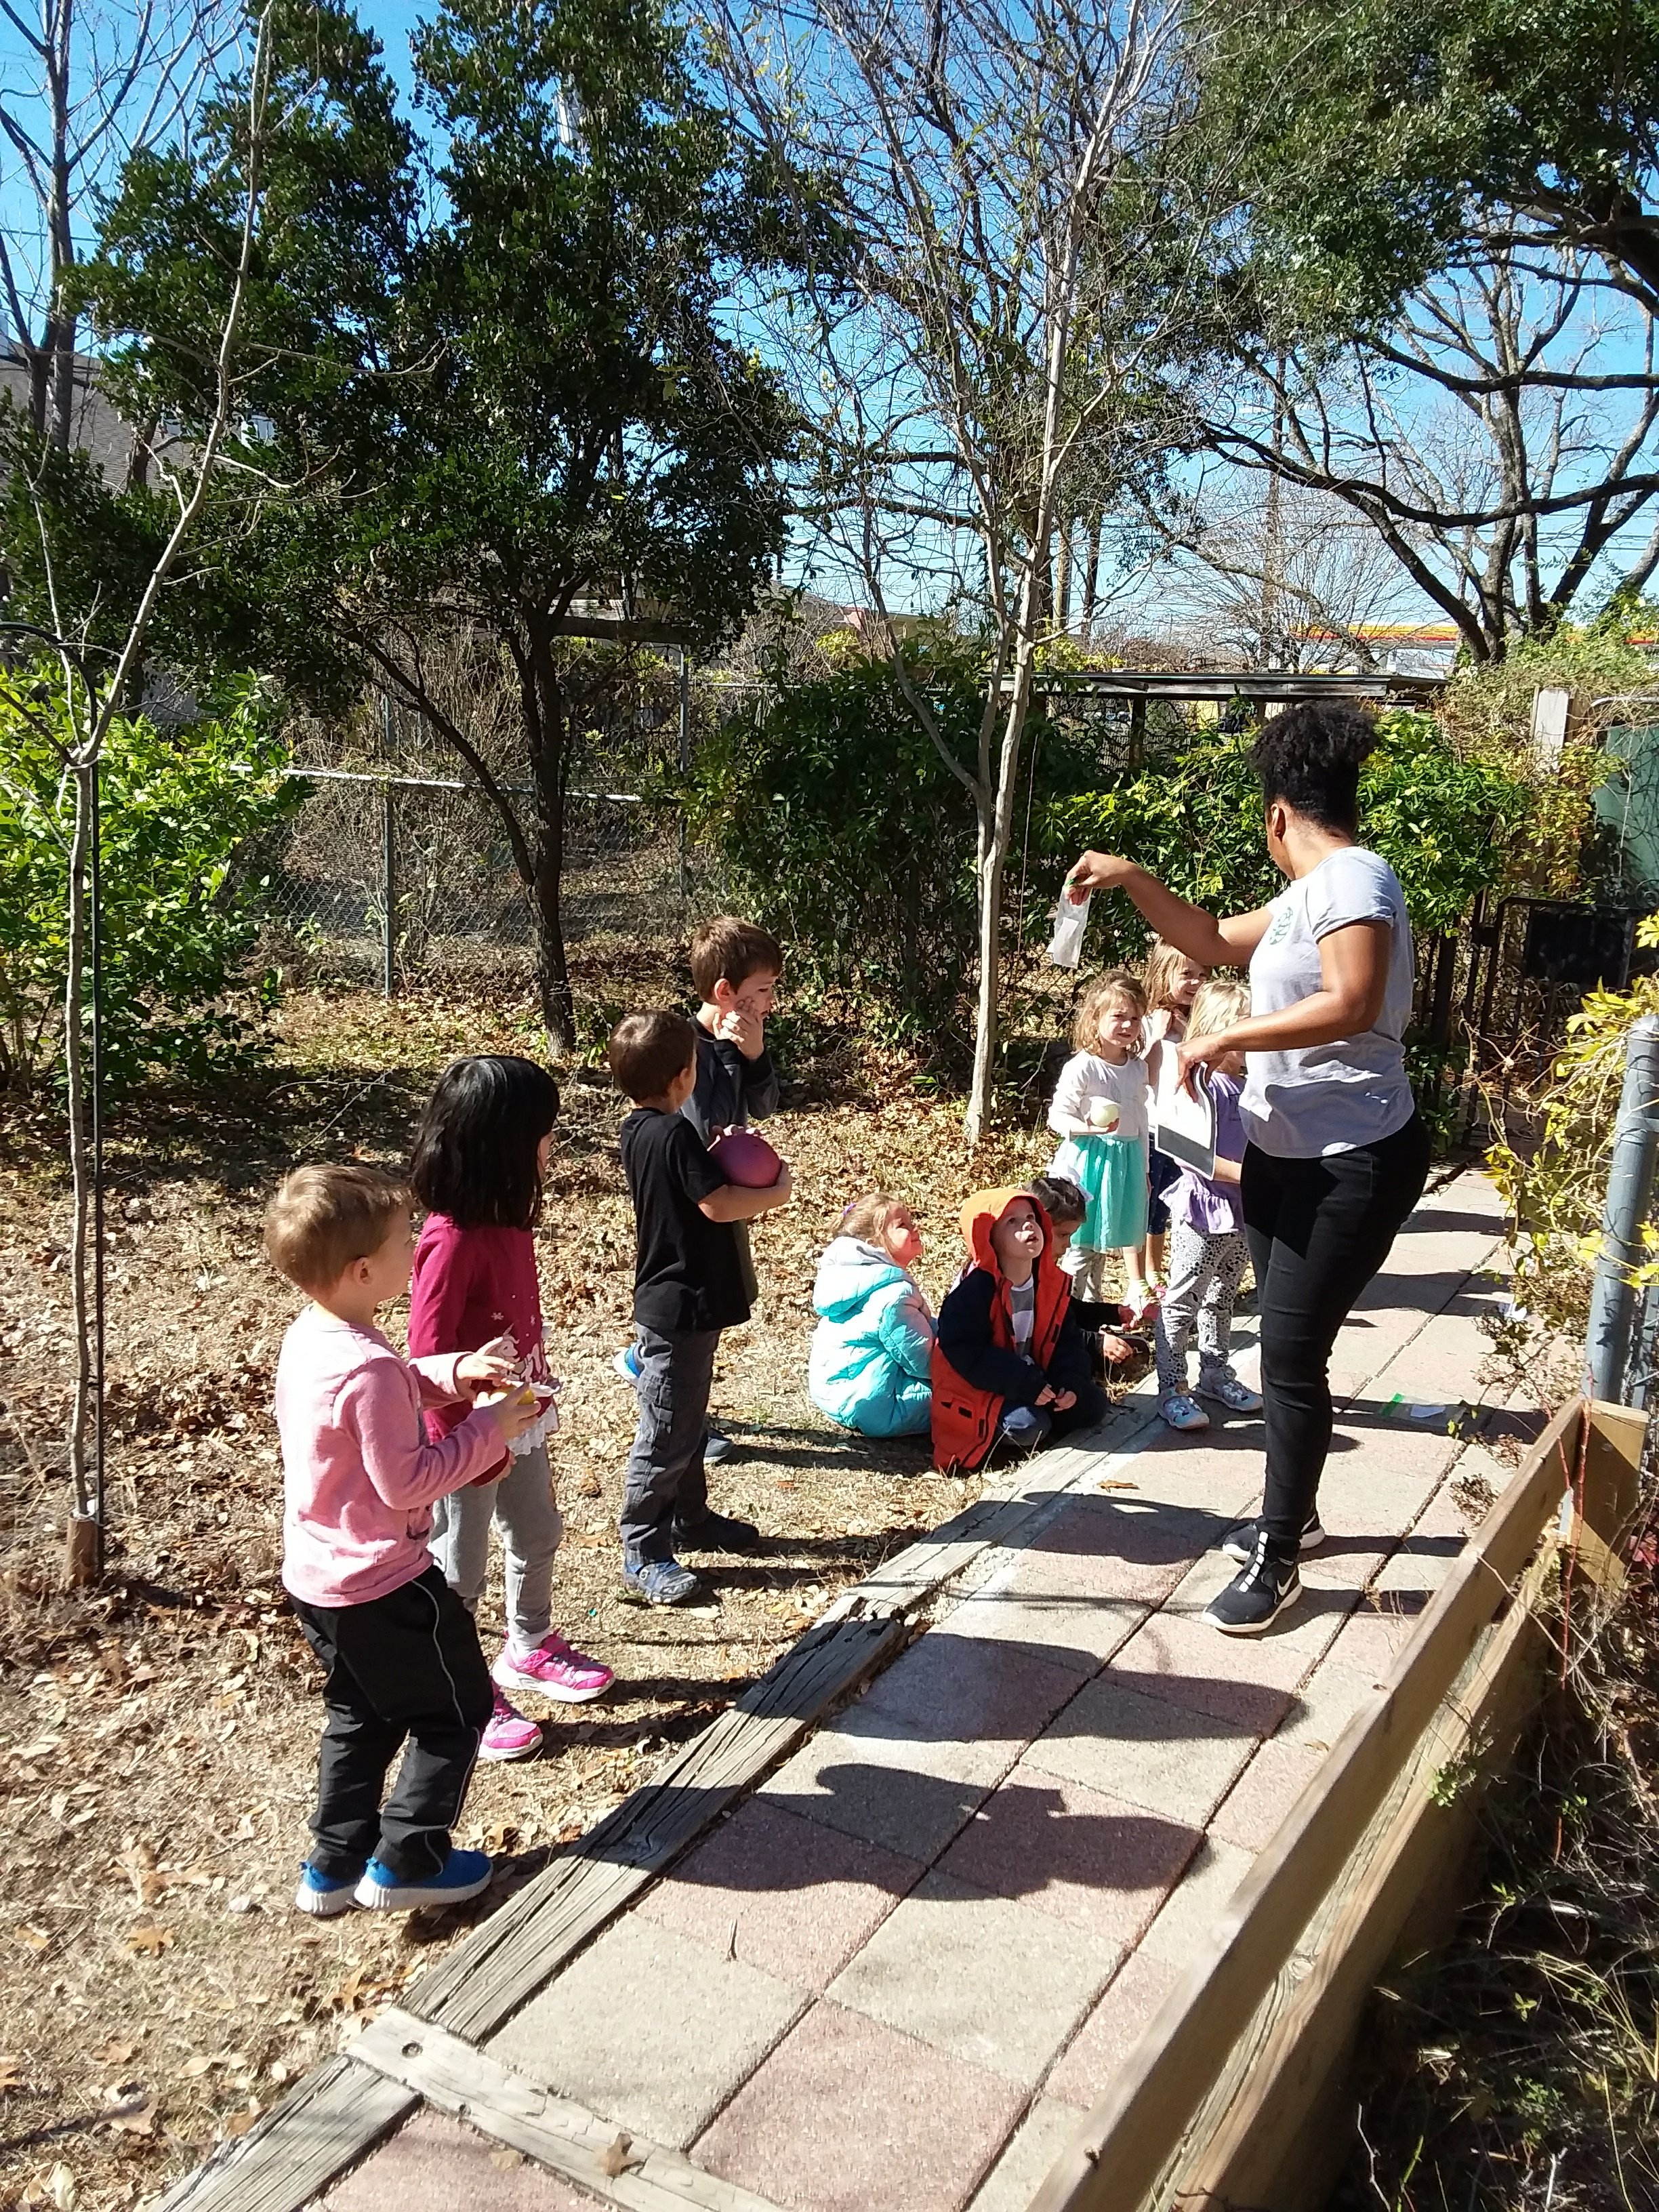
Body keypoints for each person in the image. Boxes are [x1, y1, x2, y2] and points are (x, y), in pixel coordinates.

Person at [1066, 699, 1431, 1635]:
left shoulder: (1355, 880)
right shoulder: (1308, 895)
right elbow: (1211, 940)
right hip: (1282, 1156)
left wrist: (1221, 1040)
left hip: (1351, 1162)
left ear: (1278, 816)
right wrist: (1132, 877)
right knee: (1286, 1348)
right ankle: (1295, 1516)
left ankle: (1280, 1555)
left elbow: (1353, 1000)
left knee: (1291, 1357)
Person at [266, 1162, 540, 1917]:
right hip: (386, 1584)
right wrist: (488, 1430)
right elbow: (410, 1482)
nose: (413, 1248)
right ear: (363, 1271)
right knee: (454, 1713)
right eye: (400, 1242)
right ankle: (408, 1861)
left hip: (318, 1580)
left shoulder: (316, 1336)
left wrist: (455, 1371)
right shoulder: (366, 1367)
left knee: (360, 1714)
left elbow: (389, 1381)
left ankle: (332, 1866)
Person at [407, 1056, 614, 1766]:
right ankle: (459, 1691)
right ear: (502, 1144)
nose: (552, 1145)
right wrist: (460, 1445)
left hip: (519, 1417)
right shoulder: (449, 1240)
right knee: (457, 1569)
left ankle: (529, 1645)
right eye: (543, 1133)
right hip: (464, 1439)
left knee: (537, 1529)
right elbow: (427, 1357)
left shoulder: (511, 1222)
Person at [609, 1008, 794, 1604]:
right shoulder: (673, 1134)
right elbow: (716, 1205)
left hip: (675, 1303)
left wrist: (718, 1152)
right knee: (666, 1433)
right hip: (679, 1305)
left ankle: (691, 1520)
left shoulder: (638, 1130)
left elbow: (685, 1188)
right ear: (684, 1077)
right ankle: (643, 1550)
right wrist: (775, 1193)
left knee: (685, 1420)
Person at [613, 916, 785, 1465]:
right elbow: (708, 1121)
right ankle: (667, 1396)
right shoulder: (683, 1052)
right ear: (725, 991)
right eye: (764, 990)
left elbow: (764, 1107)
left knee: (721, 1308)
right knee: (689, 1324)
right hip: (693, 1206)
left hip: (722, 1197)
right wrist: (734, 1056)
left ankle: (671, 1392)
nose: (771, 1002)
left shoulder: (740, 1042)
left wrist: (755, 1056)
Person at [1151, 979, 1263, 1433]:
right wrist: (1248, 1175)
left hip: (1242, 1211)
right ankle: (1171, 1388)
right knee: (1184, 1299)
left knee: (1222, 1296)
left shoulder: (1248, 1085)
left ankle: (1215, 1374)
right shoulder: (1196, 1085)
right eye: (1247, 1028)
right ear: (1221, 1030)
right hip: (1204, 1210)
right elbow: (1184, 1149)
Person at [931, 1188, 1106, 1472]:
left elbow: (1068, 1341)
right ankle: (997, 1432)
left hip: (1032, 1378)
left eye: (1031, 1218)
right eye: (1011, 1221)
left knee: (1092, 1405)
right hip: (981, 1387)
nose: (1027, 1225)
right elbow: (967, 1352)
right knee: (1030, 1425)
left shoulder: (1050, 1284)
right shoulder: (974, 1291)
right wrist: (1026, 1384)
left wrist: (1069, 1384)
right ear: (989, 1236)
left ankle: (1048, 1410)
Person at [1046, 970, 1156, 1311]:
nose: (1128, 1025)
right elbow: (1057, 1116)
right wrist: (1089, 1128)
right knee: (1079, 1243)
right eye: (1119, 1016)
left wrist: (1144, 1170)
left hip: (1125, 1163)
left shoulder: (1137, 1068)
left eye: (1135, 1018)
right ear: (1096, 1018)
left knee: (1102, 1243)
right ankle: (1064, 1311)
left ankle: (1092, 1312)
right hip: (1088, 1163)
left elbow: (1141, 1123)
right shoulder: (1084, 1066)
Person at [808, 1192, 935, 1440]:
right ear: (874, 1242)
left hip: (835, 1393)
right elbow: (924, 1362)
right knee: (971, 1396)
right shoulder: (894, 1295)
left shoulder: (849, 1277)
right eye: (903, 1225)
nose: (915, 1228)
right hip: (878, 1405)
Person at [1141, 939, 1210, 1293]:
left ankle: (1165, 1265)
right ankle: (1148, 1271)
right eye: (1187, 974)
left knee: (1172, 1200)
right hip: (1153, 1127)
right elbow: (1140, 1074)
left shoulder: (1200, 1021)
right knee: (1150, 1202)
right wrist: (1156, 1036)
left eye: (1203, 974)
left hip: (1185, 1129)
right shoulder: (1148, 1022)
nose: (1196, 982)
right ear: (1163, 974)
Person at [1026, 1175, 1144, 1375]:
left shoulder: (1044, 1271)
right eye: (1063, 1235)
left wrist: (1113, 1313)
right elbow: (1048, 1332)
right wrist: (1097, 1343)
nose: (1068, 1245)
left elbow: (1067, 1311)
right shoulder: (1020, 1277)